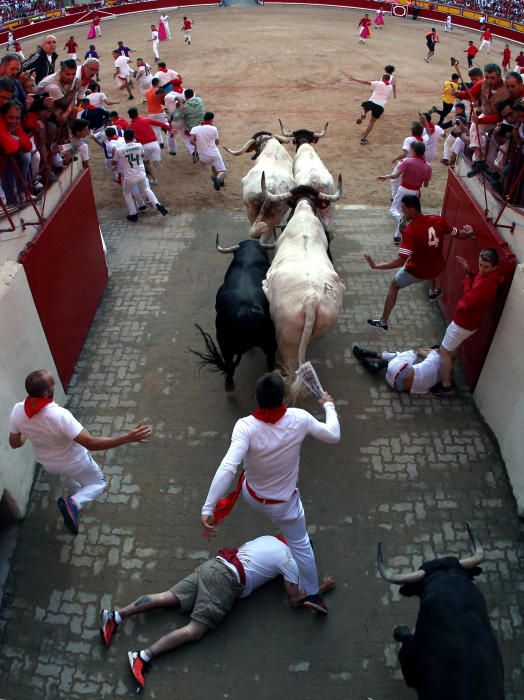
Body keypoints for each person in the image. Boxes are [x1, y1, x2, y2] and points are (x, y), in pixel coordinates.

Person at [100, 535, 336, 690]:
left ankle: (115, 616)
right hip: (226, 584)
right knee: (195, 631)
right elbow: (294, 600)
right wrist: (319, 589)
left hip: (214, 565)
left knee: (167, 597)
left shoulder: (269, 539)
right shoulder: (289, 560)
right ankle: (142, 657)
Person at [201, 372, 340, 614]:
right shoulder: (300, 418)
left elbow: (229, 467)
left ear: (256, 398)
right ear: (283, 397)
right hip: (285, 505)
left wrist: (209, 507)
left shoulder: (245, 426)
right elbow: (333, 435)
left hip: (253, 496)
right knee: (302, 546)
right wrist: (329, 405)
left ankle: (282, 535)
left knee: (247, 479)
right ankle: (313, 595)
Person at [8, 370, 152, 535]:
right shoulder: (60, 416)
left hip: (49, 465)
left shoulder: (18, 410)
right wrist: (127, 437)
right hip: (75, 462)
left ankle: (76, 497)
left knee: (68, 476)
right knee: (99, 484)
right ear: (46, 392)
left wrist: (26, 430)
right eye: (52, 382)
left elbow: (14, 443)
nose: (55, 384)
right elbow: (90, 443)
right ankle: (74, 503)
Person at [365, 194, 474, 331]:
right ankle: (433, 291)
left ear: (412, 209)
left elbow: (400, 261)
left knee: (394, 286)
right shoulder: (438, 220)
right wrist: (469, 233)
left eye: (403, 208)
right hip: (438, 267)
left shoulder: (410, 232)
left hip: (418, 271)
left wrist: (376, 266)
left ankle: (383, 322)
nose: (401, 210)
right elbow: (459, 234)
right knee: (433, 261)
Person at [432, 249, 502, 395]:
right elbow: (478, 281)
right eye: (480, 264)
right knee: (454, 347)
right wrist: (470, 272)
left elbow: (468, 301)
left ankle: (446, 385)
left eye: (485, 267)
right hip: (470, 324)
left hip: (462, 322)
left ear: (494, 267)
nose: (481, 269)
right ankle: (448, 368)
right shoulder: (492, 278)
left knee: (444, 351)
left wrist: (467, 280)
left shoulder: (488, 284)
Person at [454, 64, 508, 177]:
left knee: (496, 144)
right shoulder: (482, 83)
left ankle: (492, 170)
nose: (489, 80)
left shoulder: (506, 89)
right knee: (475, 126)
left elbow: (499, 116)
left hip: (502, 120)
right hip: (487, 115)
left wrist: (482, 120)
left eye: (492, 78)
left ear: (499, 76)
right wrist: (458, 93)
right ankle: (479, 161)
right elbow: (470, 93)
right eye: (487, 77)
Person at [378, 141, 432, 243]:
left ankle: (401, 220)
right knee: (405, 212)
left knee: (394, 210)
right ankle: (397, 236)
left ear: (414, 151)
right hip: (415, 192)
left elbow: (396, 175)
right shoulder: (428, 166)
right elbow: (425, 184)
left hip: (403, 189)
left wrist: (385, 177)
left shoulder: (407, 161)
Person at [112, 128, 169, 221]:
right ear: (133, 136)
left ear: (124, 138)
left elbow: (114, 163)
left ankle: (133, 213)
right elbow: (142, 156)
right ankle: (157, 204)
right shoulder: (139, 145)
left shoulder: (120, 150)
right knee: (146, 189)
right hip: (141, 173)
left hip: (129, 176)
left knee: (126, 193)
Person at [352, 345, 442, 394]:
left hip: (396, 372)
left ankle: (374, 359)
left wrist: (430, 350)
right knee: (400, 361)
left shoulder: (435, 354)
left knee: (408, 354)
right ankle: (374, 362)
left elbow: (418, 350)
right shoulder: (443, 375)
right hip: (397, 387)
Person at [127, 107, 172, 182]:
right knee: (155, 155)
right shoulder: (146, 119)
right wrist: (170, 129)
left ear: (130, 116)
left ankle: (154, 179)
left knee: (146, 162)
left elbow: (129, 138)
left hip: (144, 146)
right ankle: (157, 159)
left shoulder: (130, 127)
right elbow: (161, 124)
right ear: (137, 113)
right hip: (155, 144)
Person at [349, 73, 393, 145]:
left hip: (371, 102)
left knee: (364, 107)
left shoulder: (378, 83)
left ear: (382, 78)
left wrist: (354, 79)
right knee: (371, 122)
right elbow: (387, 83)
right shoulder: (390, 87)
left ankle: (362, 115)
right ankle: (363, 139)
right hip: (379, 106)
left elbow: (366, 82)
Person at [190, 111, 227, 190]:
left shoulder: (195, 128)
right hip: (213, 154)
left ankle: (220, 182)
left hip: (202, 156)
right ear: (211, 120)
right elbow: (217, 142)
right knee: (223, 171)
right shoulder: (213, 128)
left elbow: (191, 141)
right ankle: (218, 179)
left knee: (213, 165)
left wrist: (198, 145)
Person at [145, 78, 169, 147]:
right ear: (158, 83)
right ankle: (169, 137)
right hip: (160, 112)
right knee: (167, 124)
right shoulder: (159, 92)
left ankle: (160, 143)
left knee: (156, 128)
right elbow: (163, 101)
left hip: (151, 113)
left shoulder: (147, 92)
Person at [182, 88, 204, 159]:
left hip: (191, 128)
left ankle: (196, 151)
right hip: (202, 125)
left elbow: (177, 117)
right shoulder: (199, 100)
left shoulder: (184, 106)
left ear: (185, 96)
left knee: (189, 138)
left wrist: (179, 106)